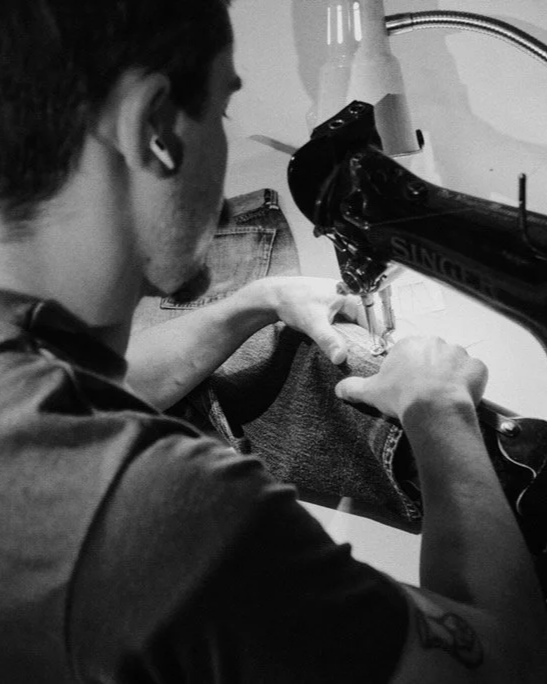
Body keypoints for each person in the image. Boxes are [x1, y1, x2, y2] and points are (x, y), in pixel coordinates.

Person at [0, 1, 545, 683]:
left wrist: (254, 302)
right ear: (156, 127)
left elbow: (92, 388)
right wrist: (439, 410)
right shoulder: (163, 512)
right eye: (223, 109)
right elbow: (505, 665)